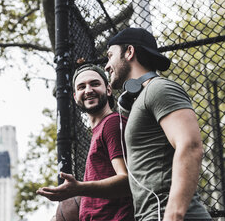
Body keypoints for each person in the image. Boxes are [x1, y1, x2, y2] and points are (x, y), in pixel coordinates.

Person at [104, 27, 212, 221]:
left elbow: (190, 146)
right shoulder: (141, 99)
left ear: (129, 52)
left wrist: (173, 214)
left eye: (110, 56)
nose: (106, 65)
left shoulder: (159, 89)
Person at [37, 64, 134, 220]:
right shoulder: (99, 130)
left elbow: (127, 180)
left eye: (94, 84)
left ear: (108, 90)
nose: (88, 90)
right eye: (82, 87)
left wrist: (78, 189)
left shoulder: (112, 123)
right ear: (75, 97)